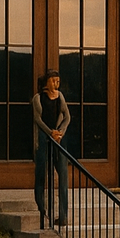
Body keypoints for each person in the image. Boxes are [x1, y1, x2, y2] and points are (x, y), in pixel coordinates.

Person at [31, 68, 70, 227]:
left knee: (63, 175)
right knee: (41, 173)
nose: (56, 83)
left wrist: (60, 132)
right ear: (47, 82)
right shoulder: (38, 98)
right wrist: (50, 132)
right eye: (53, 80)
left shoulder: (60, 96)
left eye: (58, 81)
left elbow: (67, 116)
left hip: (58, 138)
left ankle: (63, 215)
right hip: (43, 138)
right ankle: (42, 208)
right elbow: (37, 119)